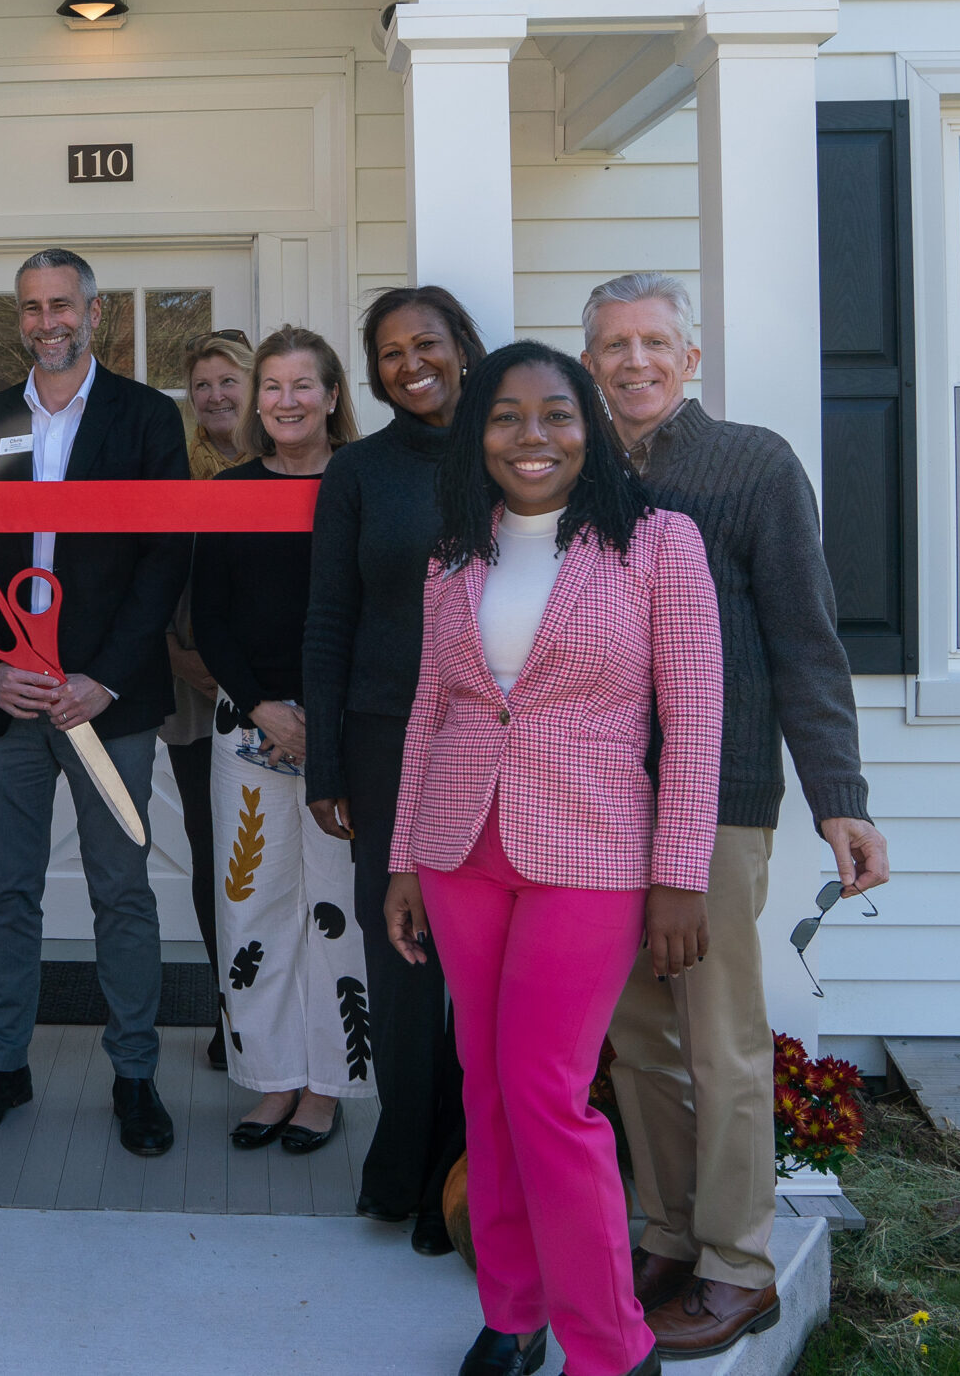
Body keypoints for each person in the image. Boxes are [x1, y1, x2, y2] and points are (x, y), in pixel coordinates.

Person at [380, 340, 722, 1376]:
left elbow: (694, 719)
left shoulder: (658, 542)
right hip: (460, 846)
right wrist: (403, 857)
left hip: (593, 851)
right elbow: (431, 708)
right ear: (477, 435)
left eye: (556, 415)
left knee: (543, 1090)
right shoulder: (455, 551)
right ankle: (512, 1311)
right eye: (506, 417)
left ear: (590, 428)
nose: (532, 437)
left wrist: (681, 874)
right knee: (486, 1087)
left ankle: (613, 1346)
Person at [580, 272, 890, 1357]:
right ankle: (670, 1233)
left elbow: (807, 640)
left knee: (720, 1038)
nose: (635, 361)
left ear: (690, 357)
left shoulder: (752, 463)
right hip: (599, 800)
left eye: (654, 342)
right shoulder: (574, 469)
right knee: (638, 1037)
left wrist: (840, 800)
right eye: (614, 344)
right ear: (590, 361)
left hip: (719, 793)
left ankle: (738, 1266)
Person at [0, 247, 189, 1156]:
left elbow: (166, 555)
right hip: (3, 703)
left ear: (94, 312)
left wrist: (104, 677)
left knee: (122, 891)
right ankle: (3, 1064)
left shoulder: (146, 417)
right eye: (32, 308)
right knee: (7, 892)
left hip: (104, 706)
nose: (48, 322)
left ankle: (135, 1076)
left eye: (62, 304)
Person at [300, 284, 487, 1252]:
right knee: (403, 959)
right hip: (380, 737)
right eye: (389, 352)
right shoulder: (359, 472)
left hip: (495, 740)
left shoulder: (514, 451)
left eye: (427, 343)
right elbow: (329, 617)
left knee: (481, 958)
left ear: (462, 345)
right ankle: (408, 1166)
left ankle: (467, 1168)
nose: (411, 364)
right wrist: (324, 763)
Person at [191, 326, 370, 1153]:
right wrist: (263, 707)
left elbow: (383, 609)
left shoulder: (363, 481)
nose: (287, 401)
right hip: (249, 724)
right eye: (272, 387)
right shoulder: (229, 490)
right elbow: (210, 619)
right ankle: (272, 1077)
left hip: (346, 728)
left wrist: (322, 720)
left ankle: (328, 1084)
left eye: (304, 385)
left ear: (332, 395)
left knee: (336, 908)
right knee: (252, 901)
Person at [162, 330, 257, 1071]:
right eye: (202, 385)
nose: (215, 395)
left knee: (281, 861)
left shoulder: (290, 465)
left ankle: (286, 1014)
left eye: (229, 381)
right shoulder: (176, 471)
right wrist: (176, 654)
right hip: (196, 691)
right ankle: (232, 1012)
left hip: (279, 690)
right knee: (216, 856)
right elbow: (153, 572)